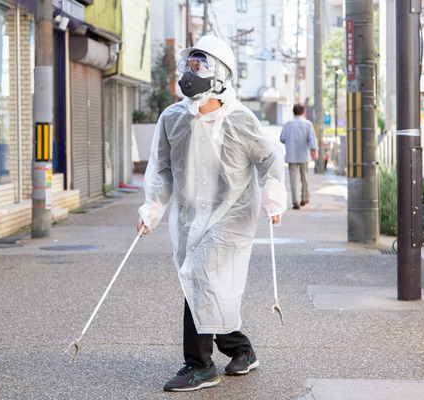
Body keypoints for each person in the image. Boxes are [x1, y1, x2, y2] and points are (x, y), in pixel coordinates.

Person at [136, 35, 287, 392]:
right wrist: (151, 209)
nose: (191, 73)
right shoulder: (173, 119)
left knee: (199, 276)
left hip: (233, 214)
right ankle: (241, 348)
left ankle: (200, 366)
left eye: (200, 65)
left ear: (221, 74)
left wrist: (273, 199)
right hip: (191, 217)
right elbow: (161, 170)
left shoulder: (240, 120)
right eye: (189, 65)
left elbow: (269, 158)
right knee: (208, 286)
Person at [279, 104, 319, 210]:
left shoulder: (287, 125)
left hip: (291, 155)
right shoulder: (308, 124)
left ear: (293, 112)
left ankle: (295, 201)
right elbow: (312, 139)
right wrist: (315, 151)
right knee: (304, 177)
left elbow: (282, 138)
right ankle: (305, 197)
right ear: (303, 112)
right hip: (303, 155)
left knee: (293, 179)